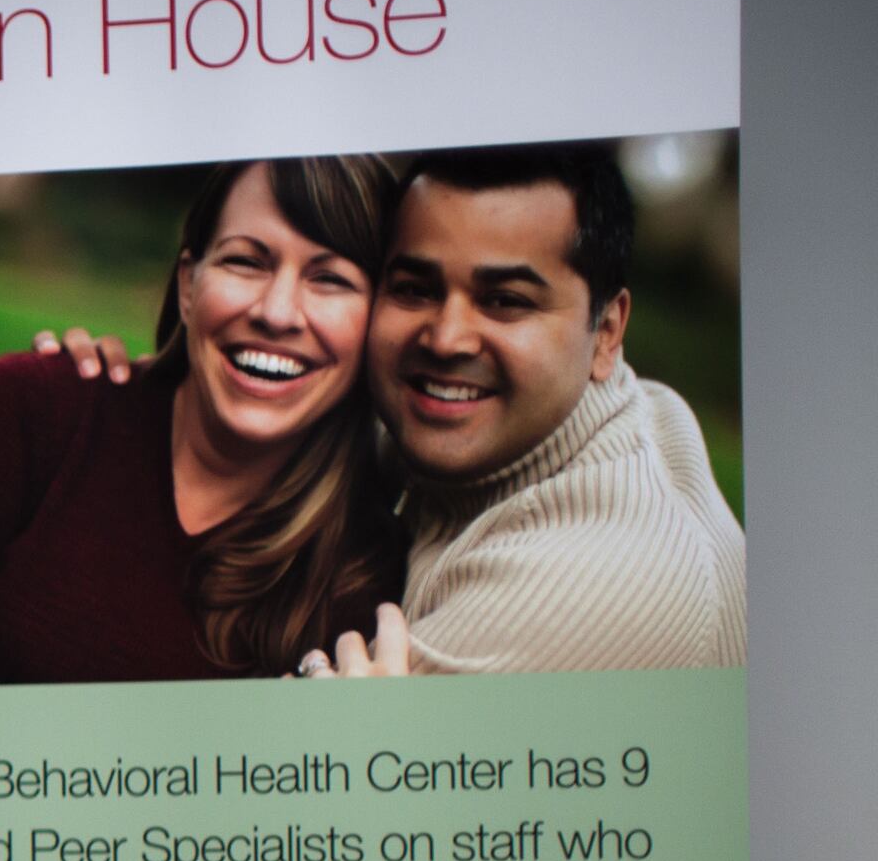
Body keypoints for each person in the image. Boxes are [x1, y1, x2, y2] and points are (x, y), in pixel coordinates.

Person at [0, 155, 407, 688]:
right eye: (246, 262)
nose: (276, 313)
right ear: (189, 287)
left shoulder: (366, 576)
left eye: (330, 279)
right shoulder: (35, 405)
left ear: (377, 322)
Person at [316, 143, 743, 676]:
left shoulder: (585, 587)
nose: (447, 339)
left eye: (506, 300)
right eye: (414, 289)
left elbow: (292, 758)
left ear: (607, 333)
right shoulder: (599, 412)